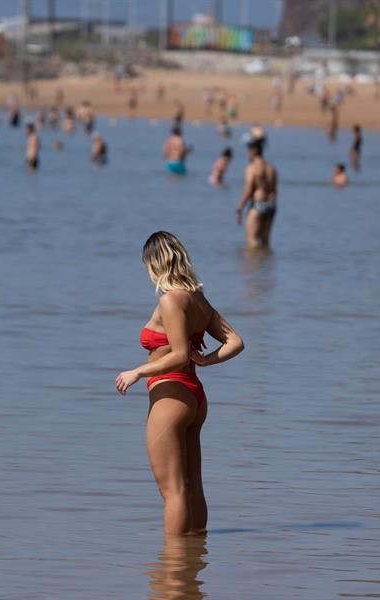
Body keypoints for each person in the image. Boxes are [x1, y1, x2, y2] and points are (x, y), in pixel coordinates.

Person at [115, 231, 244, 536]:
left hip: (171, 395)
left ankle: (174, 567)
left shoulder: (171, 300)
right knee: (191, 485)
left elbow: (179, 354)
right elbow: (235, 342)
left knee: (172, 492)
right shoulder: (198, 299)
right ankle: (195, 561)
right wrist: (206, 361)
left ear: (154, 264)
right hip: (195, 397)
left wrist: (138, 372)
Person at [235, 140, 278, 248]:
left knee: (252, 241)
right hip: (271, 206)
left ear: (252, 152)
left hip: (257, 205)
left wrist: (239, 208)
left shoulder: (251, 168)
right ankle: (265, 264)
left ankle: (254, 265)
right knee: (265, 242)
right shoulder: (271, 168)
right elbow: (274, 190)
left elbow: (248, 190)